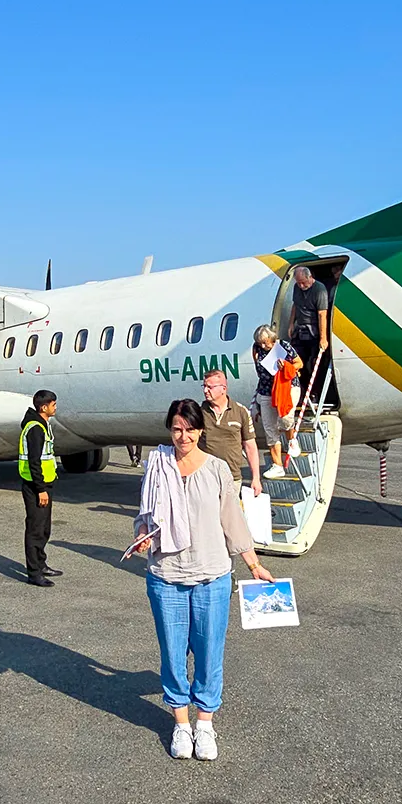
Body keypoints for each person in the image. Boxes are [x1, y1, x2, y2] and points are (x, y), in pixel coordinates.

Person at [131, 399, 276, 761]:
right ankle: (181, 723)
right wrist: (143, 535)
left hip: (212, 575)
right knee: (173, 652)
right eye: (177, 429)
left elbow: (232, 520)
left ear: (200, 429)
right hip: (166, 575)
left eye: (190, 429)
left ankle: (205, 723)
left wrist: (253, 564)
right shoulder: (157, 466)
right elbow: (144, 515)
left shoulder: (217, 470)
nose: (184, 436)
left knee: (210, 653)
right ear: (170, 429)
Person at [18, 390, 62, 587]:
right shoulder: (35, 428)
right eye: (53, 405)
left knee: (44, 528)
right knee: (35, 529)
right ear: (44, 407)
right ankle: (34, 573)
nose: (55, 408)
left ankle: (41, 564)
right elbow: (34, 461)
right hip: (35, 485)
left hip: (45, 483)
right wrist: (40, 489)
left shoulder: (43, 424)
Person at [199, 370, 262, 497]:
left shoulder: (240, 411)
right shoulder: (199, 413)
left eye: (209, 387)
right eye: (204, 386)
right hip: (206, 478)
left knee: (230, 516)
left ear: (223, 388)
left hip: (232, 478)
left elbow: (250, 446)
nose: (205, 390)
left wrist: (256, 478)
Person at [251, 325, 302, 478]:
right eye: (260, 343)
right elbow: (259, 369)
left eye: (265, 342)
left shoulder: (283, 346)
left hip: (287, 385)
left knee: (285, 417)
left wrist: (286, 366)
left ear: (272, 339)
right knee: (269, 427)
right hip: (266, 389)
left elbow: (299, 363)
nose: (262, 346)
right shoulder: (256, 349)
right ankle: (277, 465)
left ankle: (292, 439)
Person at [288, 266, 338, 411]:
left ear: (310, 277)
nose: (302, 286)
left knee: (317, 362)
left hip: (314, 330)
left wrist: (323, 338)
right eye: (299, 283)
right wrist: (291, 324)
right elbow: (295, 306)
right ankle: (303, 392)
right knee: (297, 362)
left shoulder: (319, 290)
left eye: (304, 282)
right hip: (300, 329)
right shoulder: (297, 289)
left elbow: (322, 314)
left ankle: (316, 393)